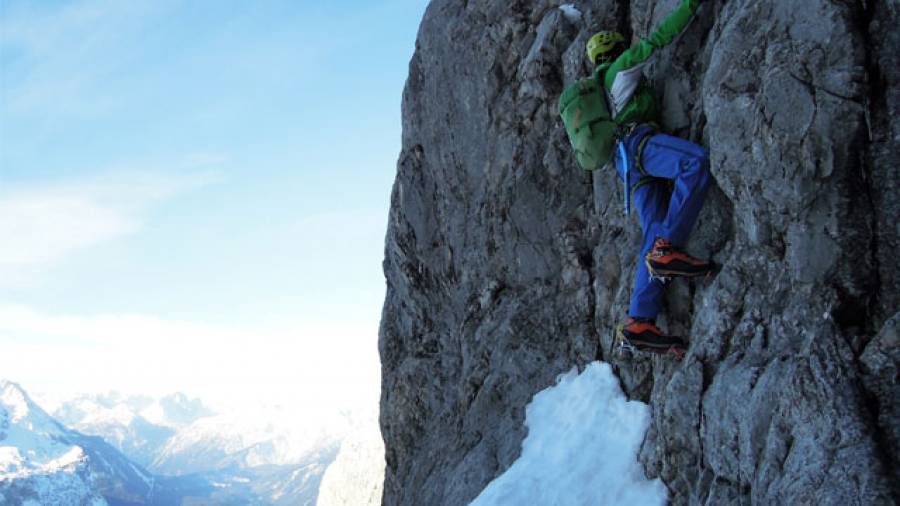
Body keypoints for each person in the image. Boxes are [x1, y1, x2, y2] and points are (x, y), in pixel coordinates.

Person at [585, 0, 713, 358]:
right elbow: (658, 39)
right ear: (615, 50)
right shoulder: (620, 70)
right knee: (695, 163)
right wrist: (691, 6)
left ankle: (640, 321)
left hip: (627, 169)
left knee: (653, 229)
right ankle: (667, 249)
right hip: (639, 144)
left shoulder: (600, 90)